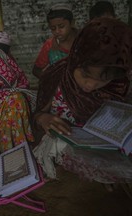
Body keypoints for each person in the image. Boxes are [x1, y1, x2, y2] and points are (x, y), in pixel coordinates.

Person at [32, 18, 132, 179]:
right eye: (85, 74)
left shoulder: (120, 85)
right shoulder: (55, 76)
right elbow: (37, 115)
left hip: (103, 148)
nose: (90, 85)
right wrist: (43, 118)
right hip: (66, 142)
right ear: (75, 58)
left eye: (102, 80)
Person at [32, 3, 78, 78]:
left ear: (72, 23)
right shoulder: (49, 45)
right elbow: (36, 70)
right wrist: (51, 81)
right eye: (53, 28)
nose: (57, 31)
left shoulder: (83, 40)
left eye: (61, 26)